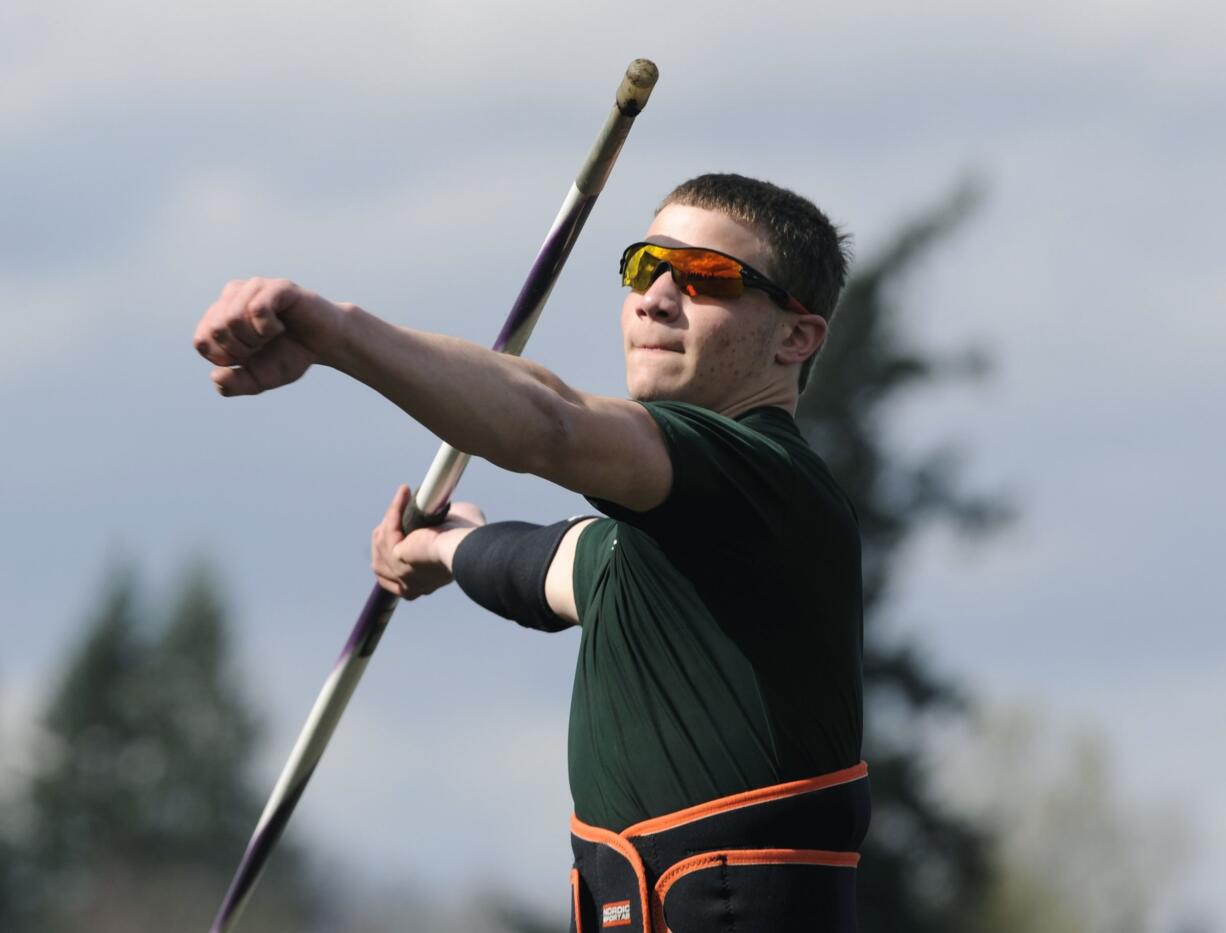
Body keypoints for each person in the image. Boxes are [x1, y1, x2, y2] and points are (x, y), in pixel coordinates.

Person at [193, 173, 869, 932]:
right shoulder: (659, 542)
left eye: (706, 277)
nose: (656, 296)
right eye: (645, 267)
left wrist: (339, 334)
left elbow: (551, 422)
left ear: (795, 336)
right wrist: (447, 545)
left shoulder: (765, 481)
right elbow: (543, 566)